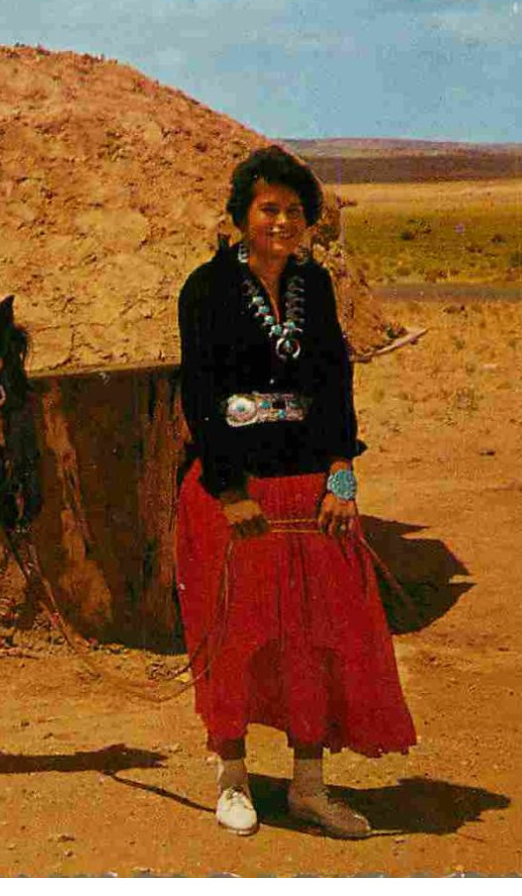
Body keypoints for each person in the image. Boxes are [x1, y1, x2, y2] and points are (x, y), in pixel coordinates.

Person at [175, 145, 416, 839]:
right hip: (238, 493)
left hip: (312, 490)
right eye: (269, 208)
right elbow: (201, 392)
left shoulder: (315, 288)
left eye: (294, 210)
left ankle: (310, 786)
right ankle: (234, 778)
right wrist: (228, 490)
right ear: (243, 215)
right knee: (238, 637)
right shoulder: (207, 289)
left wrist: (342, 472)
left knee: (315, 639)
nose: (282, 221)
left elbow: (335, 385)